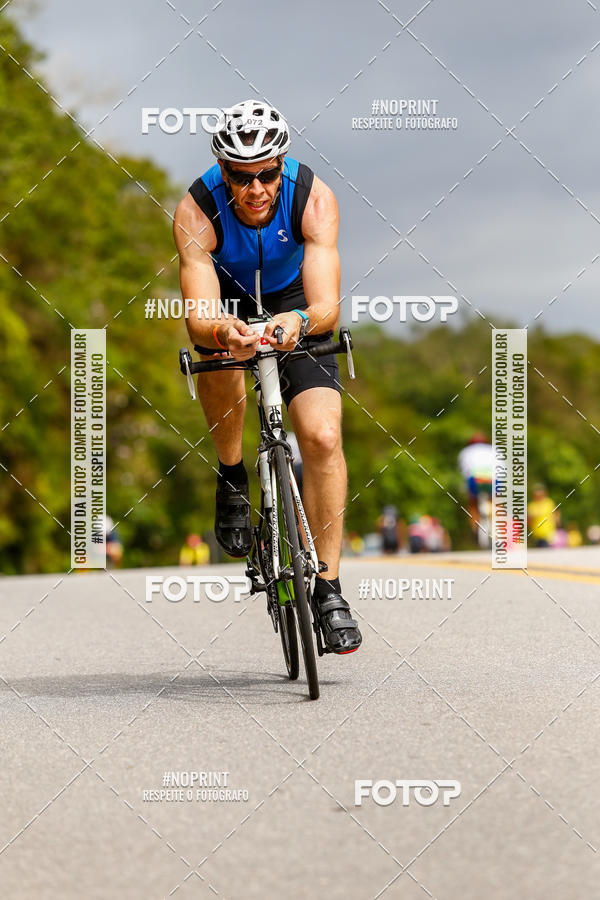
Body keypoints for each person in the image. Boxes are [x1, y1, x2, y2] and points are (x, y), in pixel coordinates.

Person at [173, 100, 361, 654]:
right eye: (240, 176)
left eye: (267, 174)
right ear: (222, 171)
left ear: (281, 163)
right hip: (227, 298)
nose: (255, 189)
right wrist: (224, 332)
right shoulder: (196, 210)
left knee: (323, 436)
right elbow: (198, 318)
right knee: (219, 359)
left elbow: (328, 306)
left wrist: (300, 321)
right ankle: (232, 476)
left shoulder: (314, 199)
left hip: (293, 301)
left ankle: (327, 588)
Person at [458, 433, 494, 535]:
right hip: (492, 480)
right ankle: (496, 522)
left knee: (472, 502)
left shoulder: (465, 452)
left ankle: (474, 526)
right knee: (495, 501)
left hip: (474, 480)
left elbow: (463, 471)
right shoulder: (494, 450)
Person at [527, 484, 558, 548]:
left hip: (548, 535)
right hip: (536, 536)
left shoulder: (549, 503)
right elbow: (529, 521)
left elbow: (555, 516)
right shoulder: (531, 505)